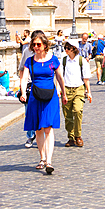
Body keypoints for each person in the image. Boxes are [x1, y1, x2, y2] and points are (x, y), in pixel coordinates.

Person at [18, 30, 65, 174]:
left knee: (48, 128)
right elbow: (24, 78)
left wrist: (63, 93)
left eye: (38, 44)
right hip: (34, 96)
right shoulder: (29, 61)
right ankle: (42, 158)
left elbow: (59, 77)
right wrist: (23, 92)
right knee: (38, 129)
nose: (36, 47)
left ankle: (49, 161)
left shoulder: (53, 60)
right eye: (34, 44)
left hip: (50, 97)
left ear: (45, 45)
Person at [60, 39, 93, 147]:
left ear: (74, 49)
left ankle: (78, 136)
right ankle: (71, 137)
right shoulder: (63, 61)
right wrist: (58, 90)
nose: (66, 50)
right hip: (66, 89)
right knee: (67, 115)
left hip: (79, 89)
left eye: (68, 48)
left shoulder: (81, 61)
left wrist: (89, 92)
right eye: (65, 48)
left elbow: (86, 78)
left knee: (78, 111)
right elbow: (60, 77)